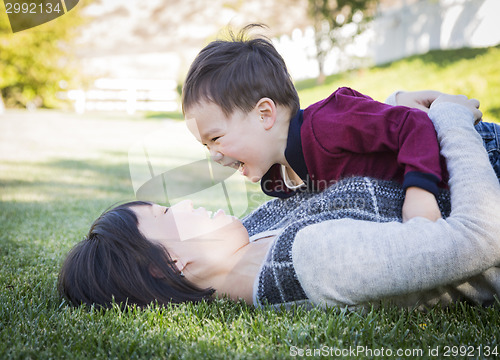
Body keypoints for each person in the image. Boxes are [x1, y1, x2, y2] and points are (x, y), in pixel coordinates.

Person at [58, 96, 500, 310]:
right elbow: (482, 237)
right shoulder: (316, 261)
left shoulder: (245, 237)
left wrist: (402, 115)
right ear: (170, 263)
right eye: (169, 214)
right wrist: (448, 116)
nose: (187, 204)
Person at [182, 25, 483, 223]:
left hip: (476, 155)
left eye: (216, 138)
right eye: (206, 146)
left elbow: (413, 124)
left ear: (264, 115)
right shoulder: (278, 179)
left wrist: (421, 193)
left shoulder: (326, 124)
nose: (214, 155)